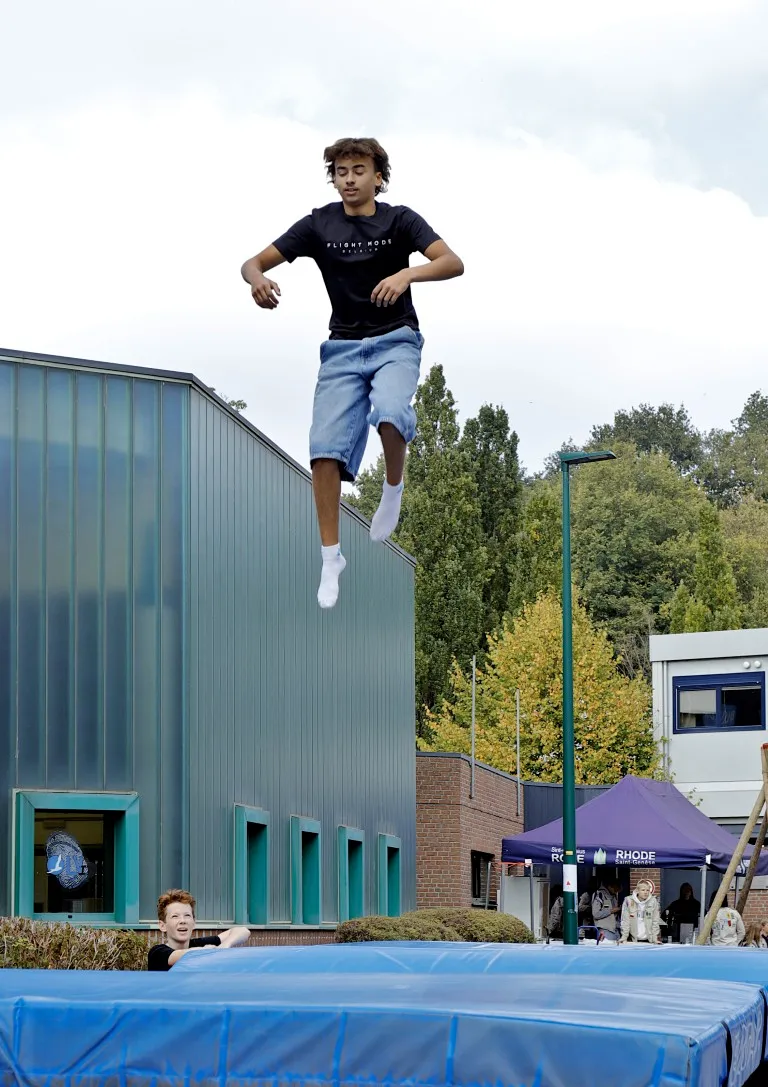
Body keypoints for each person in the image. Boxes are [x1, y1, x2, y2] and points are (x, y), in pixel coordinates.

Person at [241, 137, 464, 609]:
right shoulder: (318, 223)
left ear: (377, 176)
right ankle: (331, 557)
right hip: (341, 349)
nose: (348, 179)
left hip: (396, 341)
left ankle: (393, 488)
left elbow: (452, 262)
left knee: (389, 410)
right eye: (341, 171)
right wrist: (258, 279)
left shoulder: (400, 220)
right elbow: (253, 261)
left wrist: (408, 275)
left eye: (358, 170)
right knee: (323, 451)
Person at [148, 889, 251, 971]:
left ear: (194, 922)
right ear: (162, 926)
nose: (182, 921)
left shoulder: (198, 944)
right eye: (175, 916)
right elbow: (183, 956)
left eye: (187, 915)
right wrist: (208, 950)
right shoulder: (157, 953)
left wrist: (225, 945)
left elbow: (243, 931)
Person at [620, 879, 662, 944]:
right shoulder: (628, 900)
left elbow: (655, 921)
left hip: (649, 940)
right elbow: (625, 921)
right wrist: (624, 937)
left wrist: (655, 939)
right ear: (637, 891)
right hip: (633, 940)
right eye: (643, 890)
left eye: (647, 890)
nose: (646, 892)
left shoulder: (653, 901)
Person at [592, 878, 622, 943]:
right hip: (605, 930)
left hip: (615, 930)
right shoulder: (599, 895)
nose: (616, 892)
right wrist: (611, 911)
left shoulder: (613, 896)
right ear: (610, 886)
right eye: (615, 890)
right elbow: (596, 914)